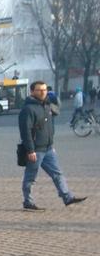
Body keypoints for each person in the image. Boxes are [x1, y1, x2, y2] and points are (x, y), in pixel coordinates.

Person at [19, 81, 87, 211]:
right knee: (30, 177)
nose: (43, 92)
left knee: (57, 174)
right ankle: (28, 201)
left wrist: (51, 144)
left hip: (48, 148)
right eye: (39, 90)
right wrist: (30, 150)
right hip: (36, 150)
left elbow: (50, 124)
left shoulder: (47, 105)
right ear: (32, 92)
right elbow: (25, 131)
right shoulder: (28, 109)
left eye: (45, 90)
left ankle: (67, 197)